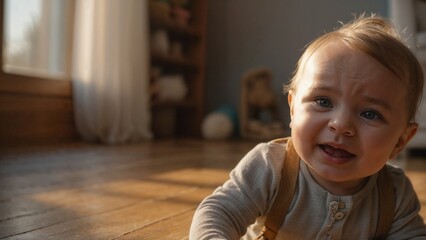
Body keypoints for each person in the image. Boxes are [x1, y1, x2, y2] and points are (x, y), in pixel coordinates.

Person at [189, 14, 426, 239]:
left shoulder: (394, 193)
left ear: (400, 141)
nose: (341, 125)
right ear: (293, 109)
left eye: (370, 113)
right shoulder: (271, 167)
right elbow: (219, 212)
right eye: (323, 102)